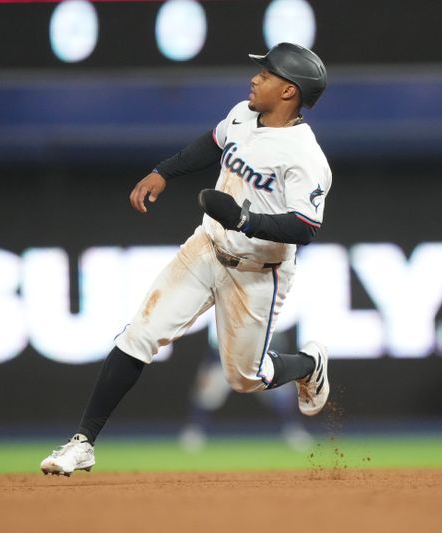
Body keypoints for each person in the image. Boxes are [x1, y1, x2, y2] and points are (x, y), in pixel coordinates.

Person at [40, 42, 331, 476]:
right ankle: (83, 443)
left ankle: (310, 364)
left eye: (267, 75)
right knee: (139, 334)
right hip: (206, 248)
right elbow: (212, 143)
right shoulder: (242, 114)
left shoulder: (305, 155)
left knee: (244, 378)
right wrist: (164, 171)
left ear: (289, 92)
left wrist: (246, 219)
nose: (255, 78)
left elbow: (306, 227)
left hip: (256, 273)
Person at [178, 326, 314, 453]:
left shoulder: (266, 310)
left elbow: (277, 342)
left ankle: (294, 430)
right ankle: (194, 431)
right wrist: (208, 364)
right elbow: (215, 343)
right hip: (226, 362)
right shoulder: (226, 310)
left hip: (259, 363)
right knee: (206, 394)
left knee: (283, 395)